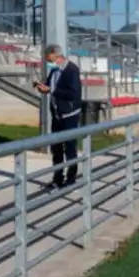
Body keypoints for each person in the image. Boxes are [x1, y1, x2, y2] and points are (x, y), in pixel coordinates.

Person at [34, 44, 83, 189]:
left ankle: (71, 178)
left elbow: (73, 94)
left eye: (47, 55)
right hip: (56, 114)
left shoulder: (72, 70)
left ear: (55, 54)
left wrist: (53, 90)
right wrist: (43, 88)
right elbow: (50, 88)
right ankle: (57, 177)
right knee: (56, 149)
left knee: (69, 147)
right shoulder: (54, 70)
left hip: (69, 115)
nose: (45, 58)